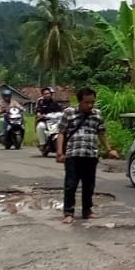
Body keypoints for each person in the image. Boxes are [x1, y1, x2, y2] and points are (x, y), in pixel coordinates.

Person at [56, 86, 105, 224]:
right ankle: (68, 212)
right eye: (86, 102)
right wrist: (59, 152)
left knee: (89, 185)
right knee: (71, 185)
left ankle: (87, 211)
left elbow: (101, 133)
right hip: (73, 154)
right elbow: (61, 133)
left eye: (92, 102)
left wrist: (109, 149)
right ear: (79, 101)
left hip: (90, 154)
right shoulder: (69, 113)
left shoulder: (97, 114)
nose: (90, 105)